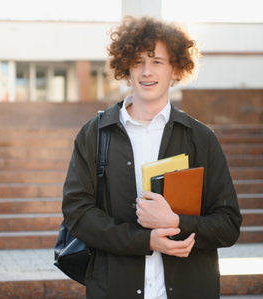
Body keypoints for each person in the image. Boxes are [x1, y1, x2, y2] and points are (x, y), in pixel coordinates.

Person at [62, 16, 242, 299]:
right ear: (126, 68)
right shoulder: (94, 134)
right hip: (115, 290)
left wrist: (176, 222)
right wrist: (145, 240)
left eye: (157, 61)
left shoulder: (201, 138)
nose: (146, 71)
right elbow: (77, 214)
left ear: (176, 70)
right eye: (138, 62)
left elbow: (229, 225)